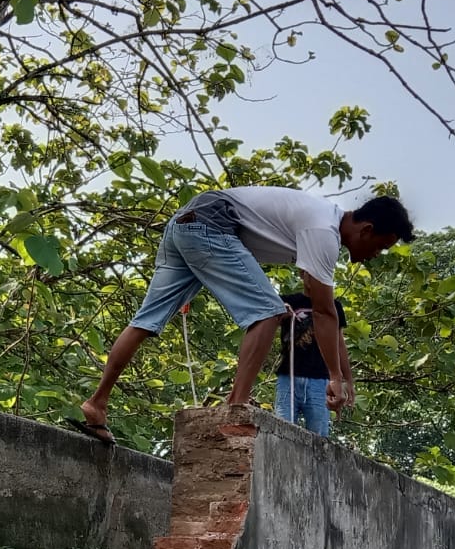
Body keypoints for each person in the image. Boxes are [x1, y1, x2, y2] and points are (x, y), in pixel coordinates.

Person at [74, 188, 411, 442]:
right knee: (267, 313)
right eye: (380, 247)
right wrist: (336, 378)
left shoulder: (322, 219)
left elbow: (315, 297)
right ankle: (236, 409)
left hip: (185, 223)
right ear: (366, 229)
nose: (375, 256)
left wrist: (342, 375)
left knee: (145, 321)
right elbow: (325, 313)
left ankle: (97, 403)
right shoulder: (324, 231)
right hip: (209, 226)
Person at [277, 291, 348, 437]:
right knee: (281, 431)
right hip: (288, 376)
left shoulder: (334, 306)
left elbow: (340, 344)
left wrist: (347, 380)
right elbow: (263, 320)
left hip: (320, 379)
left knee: (319, 436)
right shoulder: (288, 300)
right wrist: (278, 313)